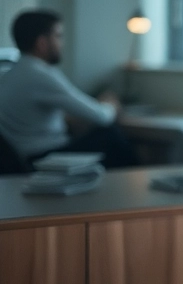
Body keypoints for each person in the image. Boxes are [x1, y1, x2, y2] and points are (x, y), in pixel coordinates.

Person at [0, 9, 137, 168]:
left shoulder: (11, 74)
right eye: (58, 36)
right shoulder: (40, 74)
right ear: (42, 43)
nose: (62, 43)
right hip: (44, 157)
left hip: (25, 156)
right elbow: (102, 117)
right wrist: (111, 104)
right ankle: (138, 187)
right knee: (110, 135)